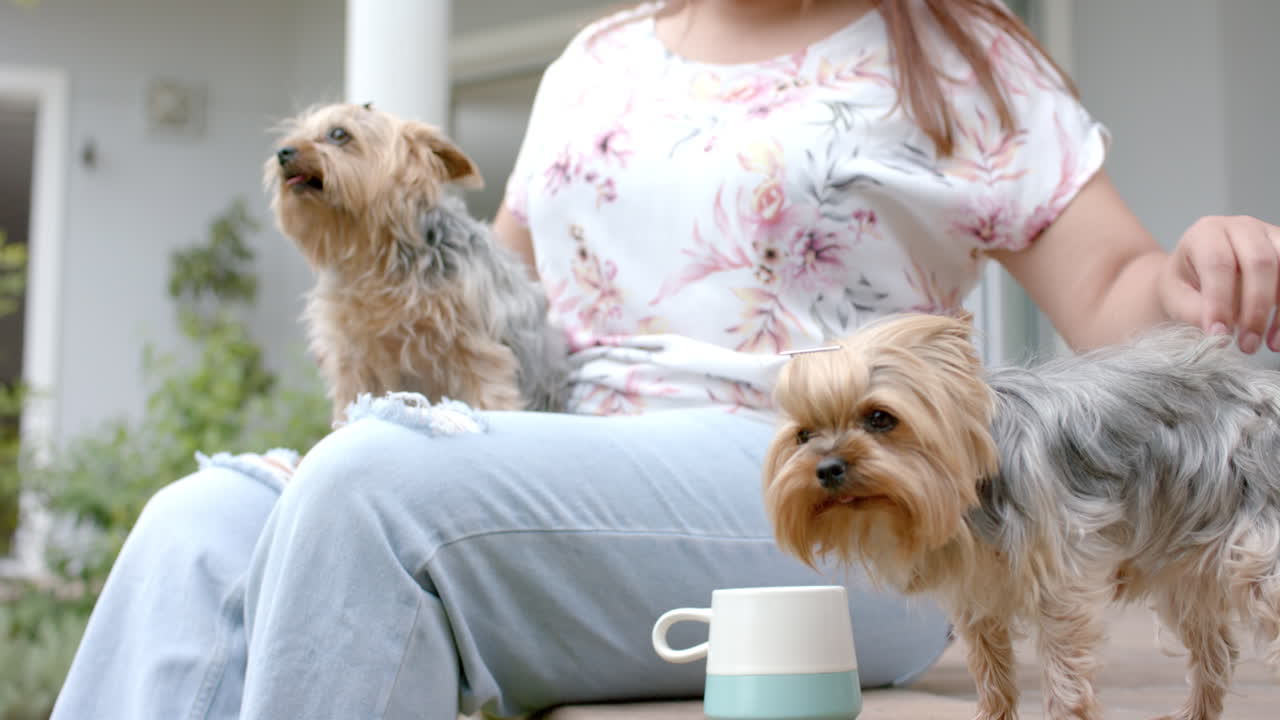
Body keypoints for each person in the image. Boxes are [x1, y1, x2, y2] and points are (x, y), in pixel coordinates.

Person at [50, 1, 1280, 718]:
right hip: (567, 458)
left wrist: (1200, 274)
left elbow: (1116, 293)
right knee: (199, 520)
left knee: (373, 489)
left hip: (825, 490)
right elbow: (510, 301)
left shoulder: (954, 51)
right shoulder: (597, 59)